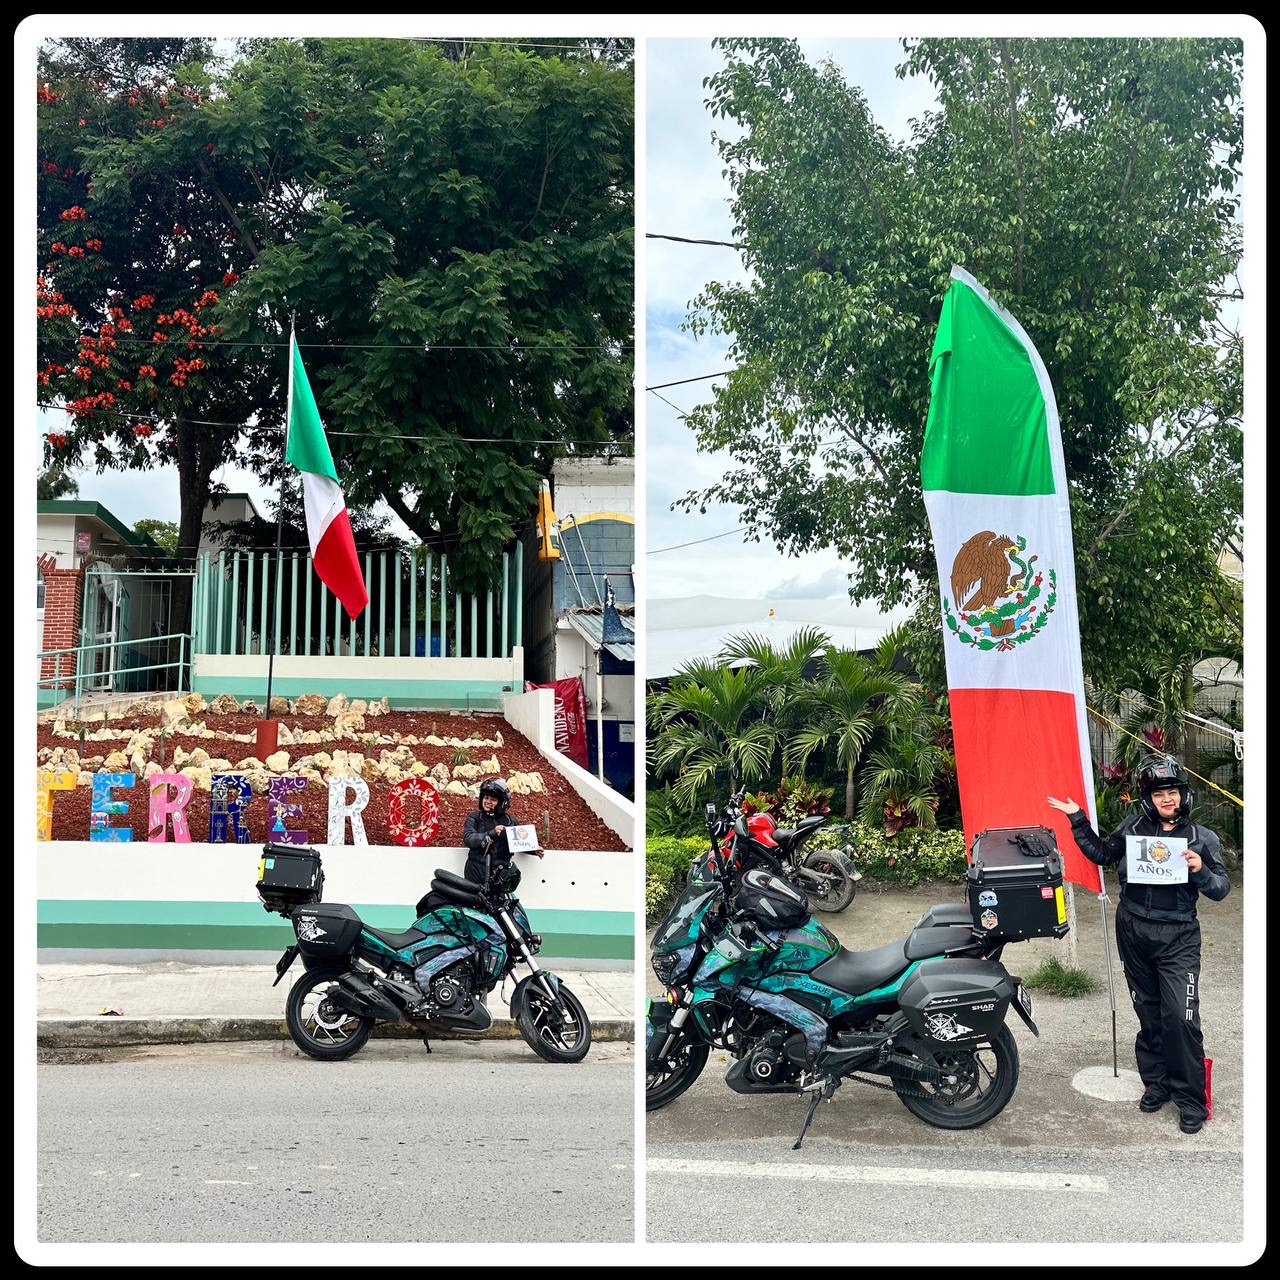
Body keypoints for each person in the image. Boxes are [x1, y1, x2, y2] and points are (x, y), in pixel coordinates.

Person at [1048, 755, 1230, 1134]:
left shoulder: (1201, 838)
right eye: (1160, 793)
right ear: (1148, 799)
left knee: (1180, 1017)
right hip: (1132, 929)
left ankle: (1190, 1098)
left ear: (1184, 795)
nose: (1168, 800)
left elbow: (1221, 890)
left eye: (1173, 792)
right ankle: (1157, 1084)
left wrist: (1201, 870)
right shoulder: (1132, 827)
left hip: (1178, 935)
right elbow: (1102, 853)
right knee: (1148, 1011)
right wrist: (1077, 817)